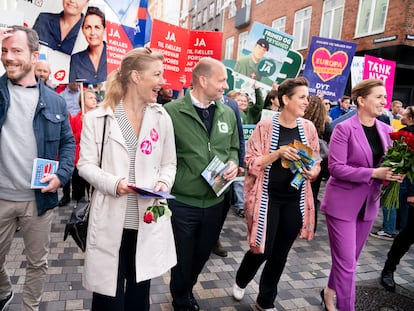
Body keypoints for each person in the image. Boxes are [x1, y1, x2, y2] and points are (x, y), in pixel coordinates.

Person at [77, 47, 177, 310]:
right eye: (157, 74)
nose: (161, 82)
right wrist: (114, 184)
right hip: (112, 220)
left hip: (146, 220)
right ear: (135, 76)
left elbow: (169, 163)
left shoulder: (161, 117)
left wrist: (163, 183)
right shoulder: (98, 118)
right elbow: (85, 165)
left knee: (139, 296)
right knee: (108, 299)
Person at [0, 25, 75, 311]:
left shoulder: (54, 101)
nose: (8, 57)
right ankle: (4, 290)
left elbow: (68, 143)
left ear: (34, 55)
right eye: (4, 51)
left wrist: (62, 175)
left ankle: (30, 308)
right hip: (1, 197)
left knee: (37, 263)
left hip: (39, 199)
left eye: (16, 50)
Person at [232, 77, 320, 311]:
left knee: (280, 254)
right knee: (263, 249)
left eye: (307, 97)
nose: (306, 101)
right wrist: (277, 153)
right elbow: (250, 161)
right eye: (302, 97)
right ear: (285, 99)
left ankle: (265, 300)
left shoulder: (308, 128)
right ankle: (242, 278)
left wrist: (312, 171)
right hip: (268, 199)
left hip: (295, 199)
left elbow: (317, 160)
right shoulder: (266, 126)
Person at [320, 79, 405, 311]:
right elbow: (336, 168)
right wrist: (375, 172)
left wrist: (393, 175)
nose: (383, 101)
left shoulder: (387, 130)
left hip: (369, 206)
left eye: (384, 97)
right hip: (342, 205)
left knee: (349, 261)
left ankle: (329, 292)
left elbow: (387, 167)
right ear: (361, 100)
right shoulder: (344, 128)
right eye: (378, 96)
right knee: (347, 264)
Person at [164, 57, 239, 311]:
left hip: (217, 200)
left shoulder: (227, 111)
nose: (225, 86)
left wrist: (232, 162)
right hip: (184, 202)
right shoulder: (171, 112)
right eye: (221, 80)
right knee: (183, 257)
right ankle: (181, 298)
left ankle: (186, 289)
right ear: (203, 80)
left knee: (202, 253)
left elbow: (233, 148)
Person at [371, 105, 414, 240]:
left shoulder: (405, 133)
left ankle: (388, 229)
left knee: (390, 201)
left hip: (398, 171)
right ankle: (401, 229)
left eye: (404, 114)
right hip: (409, 175)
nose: (401, 116)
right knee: (403, 203)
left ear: (411, 118)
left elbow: (395, 152)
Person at [303, 95, 332, 228]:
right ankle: (310, 225)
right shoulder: (326, 126)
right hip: (318, 164)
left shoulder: (301, 123)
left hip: (303, 161)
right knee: (312, 195)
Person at [69, 88, 97, 203]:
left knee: (93, 191)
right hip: (80, 159)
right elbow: (72, 139)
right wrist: (83, 128)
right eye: (90, 98)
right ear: (82, 101)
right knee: (79, 191)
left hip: (95, 159)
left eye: (95, 98)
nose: (94, 100)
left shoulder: (99, 117)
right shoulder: (76, 119)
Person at [69, 6, 107, 84]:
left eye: (97, 27)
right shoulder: (75, 60)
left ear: (104, 30)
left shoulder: (116, 55)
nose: (92, 33)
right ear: (82, 30)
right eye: (88, 27)